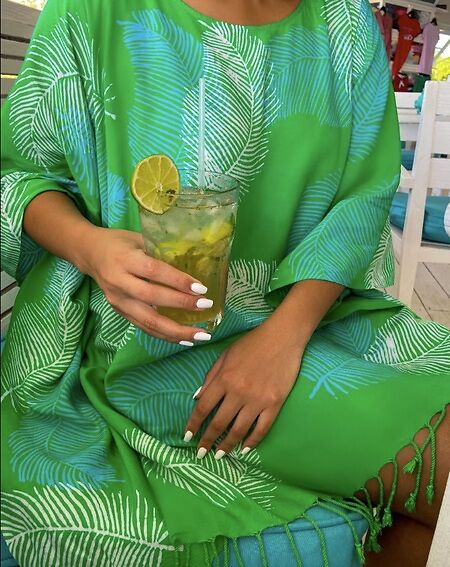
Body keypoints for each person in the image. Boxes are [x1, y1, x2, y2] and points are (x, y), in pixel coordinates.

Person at [1, 0, 449, 565]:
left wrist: (282, 340)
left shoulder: (345, 21)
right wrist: (90, 249)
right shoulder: (94, 12)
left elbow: (364, 196)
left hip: (313, 323)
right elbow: (17, 175)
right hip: (147, 346)